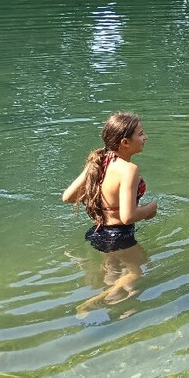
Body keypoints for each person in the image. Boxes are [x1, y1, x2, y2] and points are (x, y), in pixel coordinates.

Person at [63, 113, 157, 314]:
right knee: (136, 273)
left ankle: (117, 309)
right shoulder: (129, 169)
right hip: (119, 235)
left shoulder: (98, 161)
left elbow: (68, 197)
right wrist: (150, 209)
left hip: (99, 233)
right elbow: (127, 216)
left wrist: (99, 198)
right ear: (125, 142)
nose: (145, 137)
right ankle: (100, 302)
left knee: (114, 275)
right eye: (141, 134)